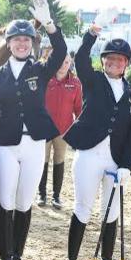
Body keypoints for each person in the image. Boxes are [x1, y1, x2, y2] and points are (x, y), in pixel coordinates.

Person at [0, 0, 66, 260]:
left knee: (25, 202)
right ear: (9, 44)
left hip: (34, 145)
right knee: (5, 201)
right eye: (16, 40)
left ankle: (17, 259)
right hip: (6, 145)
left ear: (32, 44)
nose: (21, 44)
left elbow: (61, 50)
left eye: (26, 40)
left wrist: (49, 24)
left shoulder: (40, 71)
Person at [58, 9, 131, 260]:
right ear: (103, 61)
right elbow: (81, 57)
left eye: (119, 59)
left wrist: (127, 166)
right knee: (82, 208)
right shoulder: (92, 80)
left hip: (115, 160)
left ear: (126, 64)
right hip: (89, 155)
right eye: (110, 58)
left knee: (111, 213)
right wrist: (92, 33)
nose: (114, 62)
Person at [38, 51, 82, 209]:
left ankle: (56, 196)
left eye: (67, 62)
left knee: (59, 161)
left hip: (63, 131)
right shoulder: (45, 80)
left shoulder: (75, 83)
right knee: (42, 161)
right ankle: (41, 194)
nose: (64, 65)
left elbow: (78, 109)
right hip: (43, 130)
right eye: (62, 61)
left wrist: (77, 130)